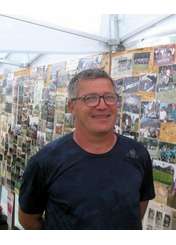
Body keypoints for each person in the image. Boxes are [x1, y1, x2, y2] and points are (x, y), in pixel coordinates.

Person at [18, 69, 155, 229]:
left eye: (109, 97)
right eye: (91, 98)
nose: (102, 106)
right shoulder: (45, 161)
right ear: (71, 106)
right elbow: (28, 219)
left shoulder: (137, 154)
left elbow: (137, 211)